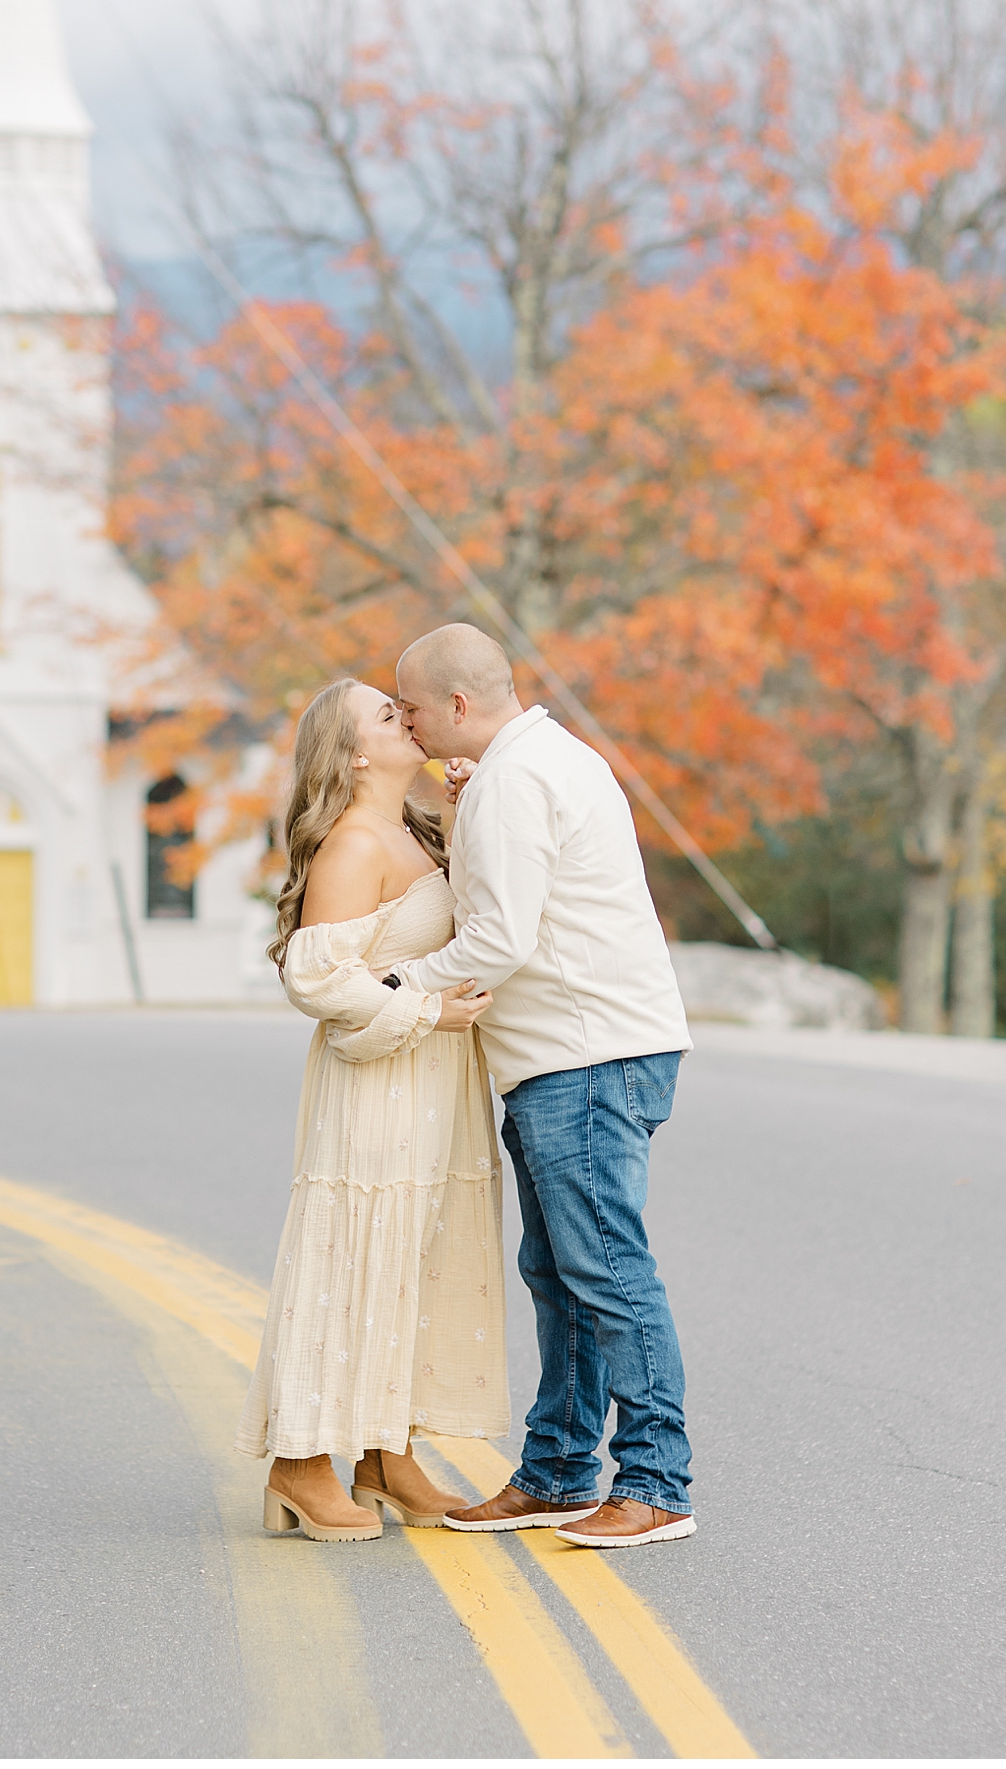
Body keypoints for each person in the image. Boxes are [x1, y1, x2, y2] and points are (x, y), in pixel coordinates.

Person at [394, 623, 696, 1551]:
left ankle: (656, 1481)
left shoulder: (516, 781)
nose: (402, 724)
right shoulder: (543, 761)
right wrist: (465, 803)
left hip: (585, 1055)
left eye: (408, 707)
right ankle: (559, 1470)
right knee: (560, 1272)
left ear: (455, 703)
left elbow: (499, 938)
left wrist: (396, 986)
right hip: (577, 1051)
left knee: (603, 1267)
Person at [235, 677, 509, 1541]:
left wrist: (467, 813)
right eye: (387, 715)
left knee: (415, 1258)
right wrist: (426, 1010)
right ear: (354, 753)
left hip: (434, 1085)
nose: (408, 717)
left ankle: (386, 1454)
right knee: (354, 1254)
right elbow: (315, 977)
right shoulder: (354, 841)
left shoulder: (411, 829)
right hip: (378, 1089)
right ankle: (302, 1461)